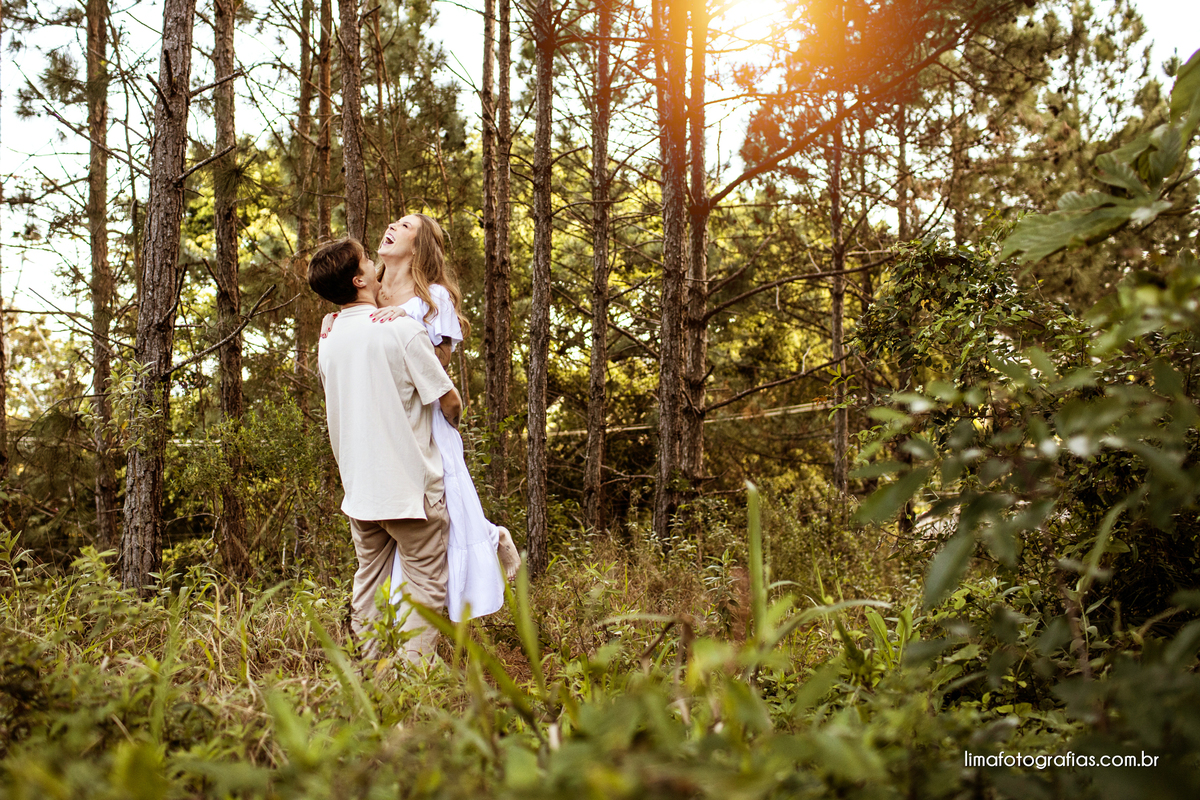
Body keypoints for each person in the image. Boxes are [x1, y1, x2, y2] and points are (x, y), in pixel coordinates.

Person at [321, 213, 521, 622]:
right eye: (393, 221)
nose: (392, 226)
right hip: (386, 420)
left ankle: (488, 540)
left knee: (440, 508)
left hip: (426, 414)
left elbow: (440, 367)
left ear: (420, 244)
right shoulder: (370, 291)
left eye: (406, 226)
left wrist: (408, 322)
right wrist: (334, 318)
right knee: (403, 523)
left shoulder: (433, 296)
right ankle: (403, 627)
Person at [308, 236, 461, 662]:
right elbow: (448, 400)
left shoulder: (329, 337)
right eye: (366, 261)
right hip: (411, 489)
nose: (375, 263)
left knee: (369, 581)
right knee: (427, 583)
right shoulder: (400, 329)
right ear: (360, 279)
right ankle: (412, 678)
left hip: (361, 491)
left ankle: (373, 673)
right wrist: (449, 432)